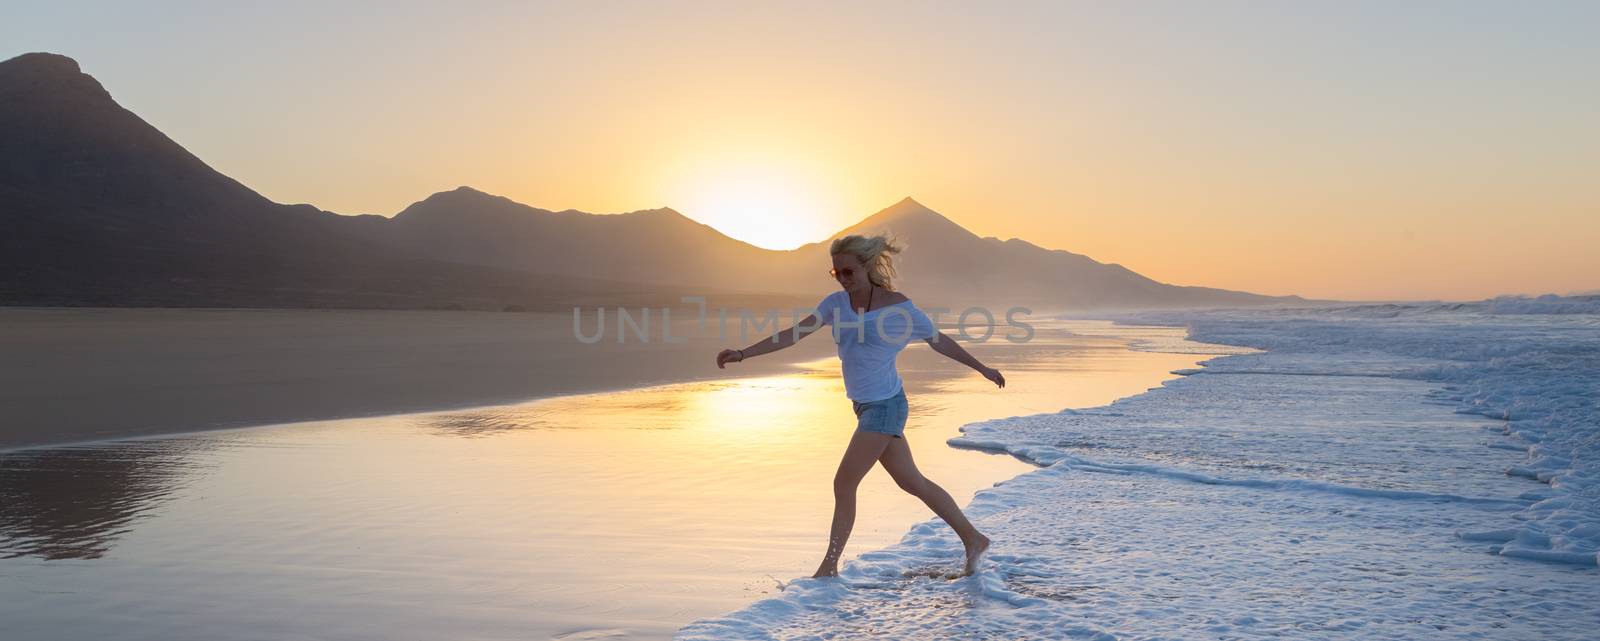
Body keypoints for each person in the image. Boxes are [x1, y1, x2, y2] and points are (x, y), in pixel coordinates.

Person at [715, 233, 1005, 578]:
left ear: (866, 267)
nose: (843, 279)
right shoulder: (835, 305)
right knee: (913, 483)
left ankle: (828, 568)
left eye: (849, 271)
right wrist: (744, 353)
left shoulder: (898, 307)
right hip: (865, 407)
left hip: (886, 406)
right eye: (837, 273)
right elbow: (794, 333)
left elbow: (939, 341)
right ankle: (974, 539)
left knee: (844, 483)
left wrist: (983, 369)